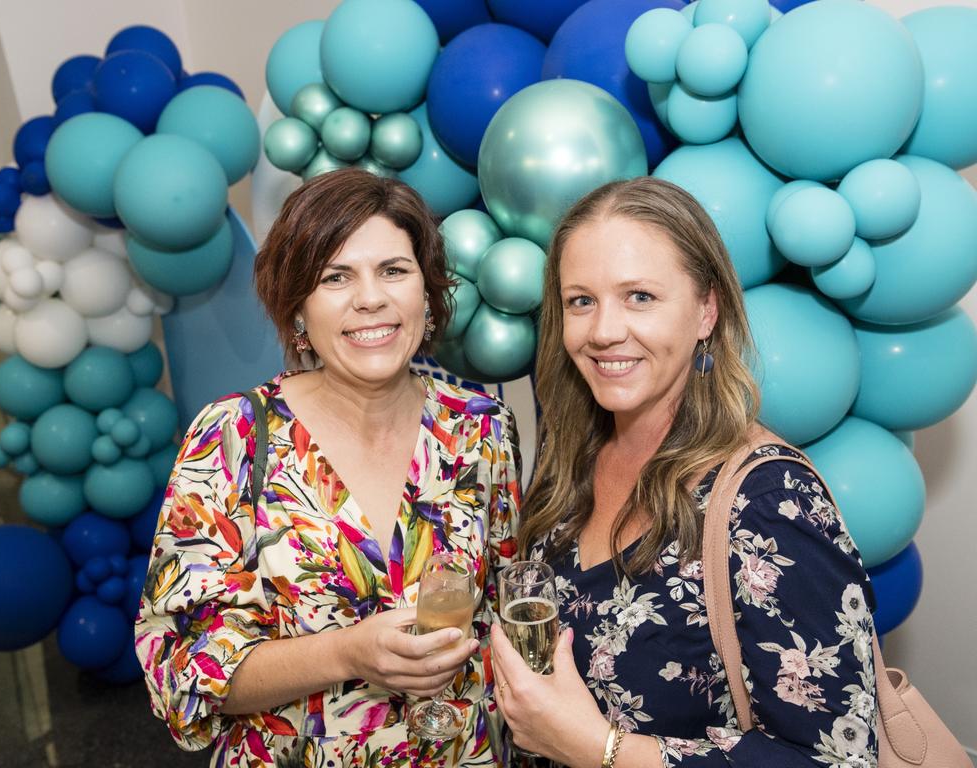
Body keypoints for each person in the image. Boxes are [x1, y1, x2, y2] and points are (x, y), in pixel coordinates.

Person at [136, 169, 521, 767]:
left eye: (394, 270)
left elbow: (503, 600)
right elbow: (179, 664)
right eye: (336, 277)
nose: (371, 297)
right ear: (297, 309)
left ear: (426, 291)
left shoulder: (480, 427)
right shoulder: (233, 437)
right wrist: (346, 654)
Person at [490, 177, 878, 768]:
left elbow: (835, 760)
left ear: (706, 310)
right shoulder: (572, 458)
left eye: (640, 296)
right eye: (581, 300)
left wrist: (601, 751)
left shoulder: (769, 501)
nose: (603, 331)